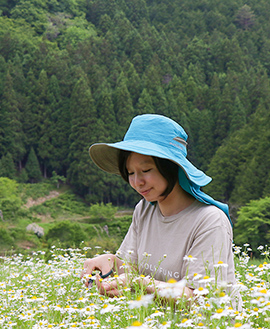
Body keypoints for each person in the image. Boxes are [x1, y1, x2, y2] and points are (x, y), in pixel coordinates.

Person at [81, 114, 237, 306]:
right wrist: (110, 262)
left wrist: (139, 282)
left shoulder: (209, 221)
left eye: (146, 171)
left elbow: (200, 298)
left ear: (171, 167)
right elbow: (131, 269)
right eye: (130, 173)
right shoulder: (144, 210)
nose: (137, 182)